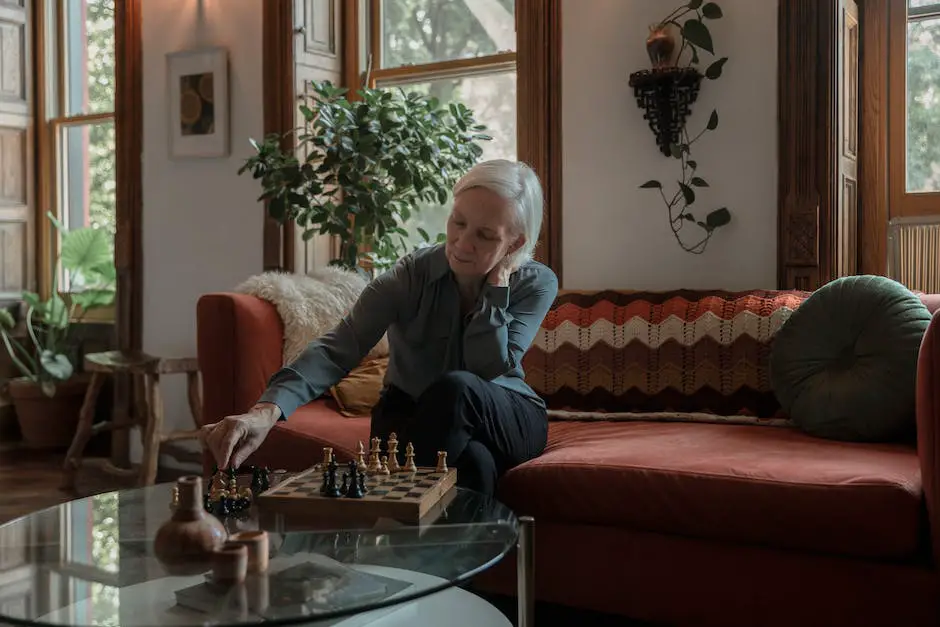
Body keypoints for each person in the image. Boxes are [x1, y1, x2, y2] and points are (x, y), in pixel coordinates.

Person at [201, 159, 559, 496]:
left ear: (515, 243)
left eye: (485, 235)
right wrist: (264, 412)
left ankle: (394, 522)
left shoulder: (535, 283)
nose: (463, 243)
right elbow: (339, 346)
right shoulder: (410, 274)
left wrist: (496, 291)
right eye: (459, 222)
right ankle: (470, 559)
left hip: (503, 412)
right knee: (474, 464)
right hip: (409, 412)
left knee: (458, 388)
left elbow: (488, 367)